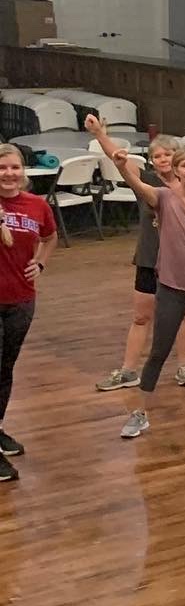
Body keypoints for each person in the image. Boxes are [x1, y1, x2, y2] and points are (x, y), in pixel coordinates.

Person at [86, 116, 185, 439]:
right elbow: (130, 175)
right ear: (174, 168)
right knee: (155, 344)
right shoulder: (160, 194)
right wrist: (105, 141)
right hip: (164, 275)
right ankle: (137, 406)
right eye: (184, 164)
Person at [94, 132, 185, 394]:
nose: (162, 159)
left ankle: (184, 366)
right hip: (150, 260)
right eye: (157, 156)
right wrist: (99, 134)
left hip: (182, 263)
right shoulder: (146, 181)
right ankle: (128, 371)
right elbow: (119, 158)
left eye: (167, 154)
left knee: (184, 316)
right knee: (141, 317)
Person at [0, 142, 58, 479]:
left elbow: (50, 237)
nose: (8, 174)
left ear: (23, 171)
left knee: (5, 369)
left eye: (14, 167)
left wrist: (41, 263)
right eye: (2, 168)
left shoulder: (37, 205)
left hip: (21, 299)